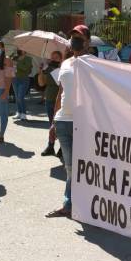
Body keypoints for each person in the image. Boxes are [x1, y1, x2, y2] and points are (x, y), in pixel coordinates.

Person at [45, 24, 91, 218]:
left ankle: (77, 204)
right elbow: (61, 92)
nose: (75, 40)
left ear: (87, 41)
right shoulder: (65, 63)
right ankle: (70, 204)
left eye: (79, 37)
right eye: (73, 37)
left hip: (84, 122)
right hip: (63, 121)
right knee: (70, 166)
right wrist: (54, 122)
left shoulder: (95, 64)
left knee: (84, 166)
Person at [37, 50, 63, 156]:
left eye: (56, 57)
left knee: (60, 124)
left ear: (61, 59)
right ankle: (50, 146)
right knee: (51, 124)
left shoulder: (63, 69)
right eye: (52, 57)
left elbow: (61, 83)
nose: (53, 59)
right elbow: (41, 83)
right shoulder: (47, 69)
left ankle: (62, 147)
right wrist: (41, 72)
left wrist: (55, 69)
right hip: (49, 99)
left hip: (60, 100)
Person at [12, 49, 33, 121]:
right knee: (17, 97)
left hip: (24, 79)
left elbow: (25, 68)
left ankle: (24, 113)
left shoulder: (28, 59)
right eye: (19, 48)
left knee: (20, 97)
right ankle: (19, 112)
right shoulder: (15, 57)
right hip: (15, 79)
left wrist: (17, 63)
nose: (20, 49)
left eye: (22, 48)